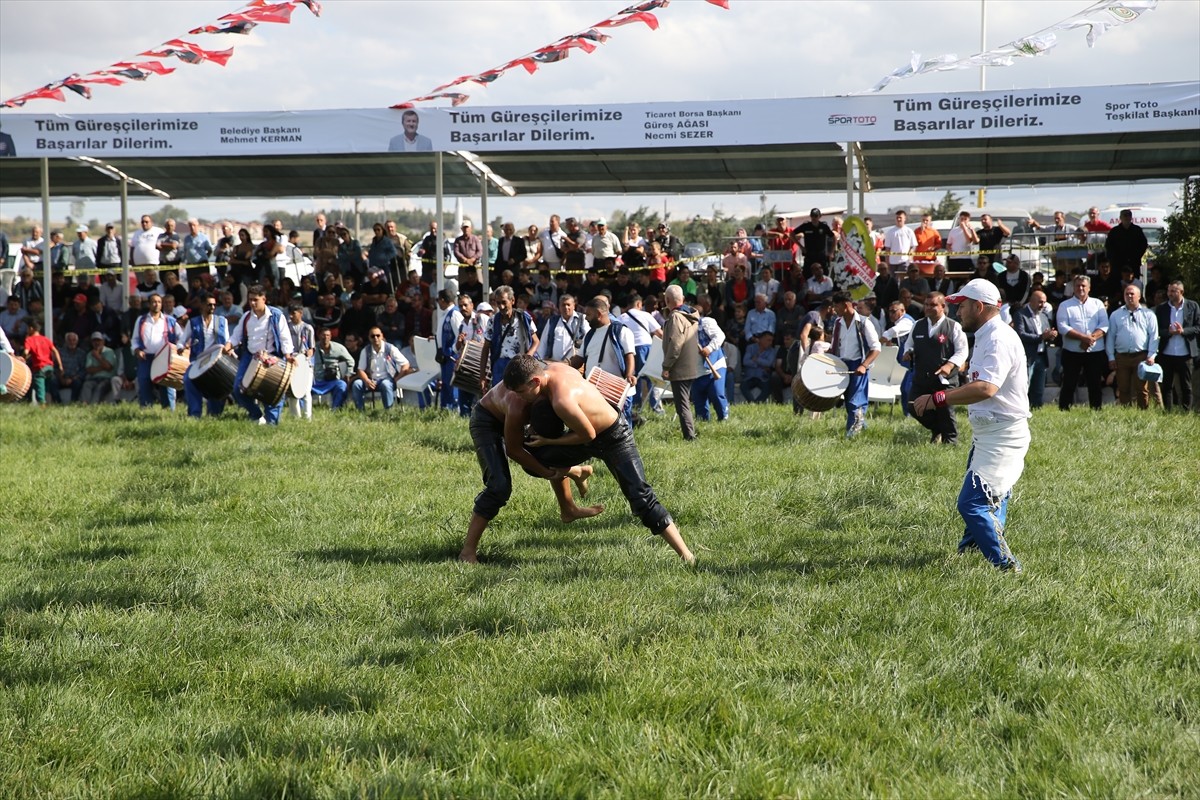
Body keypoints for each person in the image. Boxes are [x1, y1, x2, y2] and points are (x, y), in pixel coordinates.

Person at [490, 355, 696, 565]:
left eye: (521, 392)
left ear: (535, 381)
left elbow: (588, 435)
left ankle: (687, 556)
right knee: (534, 460)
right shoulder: (553, 369)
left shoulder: (562, 400)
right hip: (582, 433)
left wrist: (549, 440)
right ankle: (577, 473)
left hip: (613, 437)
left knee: (641, 497)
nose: (518, 398)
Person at [913, 278, 1029, 574]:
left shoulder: (997, 337)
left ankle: (1007, 566)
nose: (958, 312)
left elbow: (986, 388)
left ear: (978, 307)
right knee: (991, 495)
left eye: (962, 306)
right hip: (990, 433)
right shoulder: (989, 333)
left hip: (1002, 435)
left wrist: (939, 397)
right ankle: (970, 549)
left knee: (972, 503)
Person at [459, 362, 611, 563]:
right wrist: (547, 472)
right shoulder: (518, 404)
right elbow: (514, 451)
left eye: (522, 391)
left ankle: (568, 508)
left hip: (531, 412)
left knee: (549, 451)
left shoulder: (551, 382)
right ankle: (467, 552)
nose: (519, 394)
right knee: (499, 487)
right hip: (488, 422)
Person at [902, 292, 968, 444]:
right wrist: (908, 352)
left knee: (945, 411)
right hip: (922, 377)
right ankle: (937, 429)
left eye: (933, 305)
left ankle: (951, 442)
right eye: (926, 304)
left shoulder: (953, 326)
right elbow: (909, 344)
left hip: (944, 378)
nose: (928, 308)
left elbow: (962, 351)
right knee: (913, 406)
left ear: (943, 307)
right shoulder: (917, 325)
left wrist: (950, 365)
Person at [223, 284, 294, 425]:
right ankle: (256, 415)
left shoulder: (276, 315)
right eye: (250, 300)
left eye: (256, 299)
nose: (252, 303)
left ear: (264, 299)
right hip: (250, 356)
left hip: (272, 357)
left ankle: (271, 425)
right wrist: (228, 346)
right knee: (238, 389)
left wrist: (288, 356)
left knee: (273, 391)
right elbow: (236, 336)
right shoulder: (246, 317)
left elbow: (285, 338)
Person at [830, 290, 882, 438]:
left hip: (858, 365)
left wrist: (864, 365)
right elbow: (835, 345)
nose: (835, 310)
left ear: (846, 305)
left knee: (856, 400)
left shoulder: (864, 323)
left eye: (837, 306)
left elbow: (876, 348)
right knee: (848, 399)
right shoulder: (837, 323)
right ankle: (861, 426)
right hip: (842, 365)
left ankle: (852, 435)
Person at [1056, 275, 1109, 411]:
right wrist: (1083, 338)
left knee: (1095, 383)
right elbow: (1062, 327)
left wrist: (1090, 338)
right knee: (1069, 383)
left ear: (1089, 288)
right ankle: (1064, 410)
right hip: (1072, 352)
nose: (1080, 288)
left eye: (1083, 286)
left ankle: (1096, 410)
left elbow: (1104, 325)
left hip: (1095, 351)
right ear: (1073, 288)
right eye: (1078, 285)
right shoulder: (1065, 305)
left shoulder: (1097, 304)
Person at [176, 292, 230, 418]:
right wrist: (180, 347)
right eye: (209, 304)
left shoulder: (222, 321)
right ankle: (195, 414)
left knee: (216, 384)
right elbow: (182, 340)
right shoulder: (193, 322)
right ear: (201, 305)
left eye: (214, 305)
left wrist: (228, 349)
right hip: (197, 361)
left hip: (217, 361)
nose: (212, 307)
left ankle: (214, 414)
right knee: (188, 380)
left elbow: (227, 341)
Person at [1104, 284, 1158, 409]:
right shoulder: (1115, 315)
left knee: (1142, 388)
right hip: (1122, 357)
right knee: (1123, 388)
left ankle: (1143, 412)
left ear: (1139, 296)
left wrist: (1151, 355)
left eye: (1132, 294)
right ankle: (1126, 412)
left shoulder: (1148, 314)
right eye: (1126, 294)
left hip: (1141, 356)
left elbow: (1154, 336)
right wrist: (1111, 357)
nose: (1129, 296)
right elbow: (1111, 337)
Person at [660, 285, 701, 441]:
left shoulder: (676, 317)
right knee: (685, 403)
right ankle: (690, 435)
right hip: (690, 364)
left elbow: (675, 344)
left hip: (679, 367)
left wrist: (666, 366)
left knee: (682, 405)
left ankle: (690, 437)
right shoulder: (689, 315)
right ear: (682, 299)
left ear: (667, 300)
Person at [130, 293, 182, 410]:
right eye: (153, 301)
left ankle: (169, 410)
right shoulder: (141, 320)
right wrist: (137, 350)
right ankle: (146, 409)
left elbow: (181, 338)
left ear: (161, 304)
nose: (156, 304)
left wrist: (177, 349)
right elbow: (135, 339)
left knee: (166, 384)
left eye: (159, 302)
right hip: (146, 357)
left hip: (164, 358)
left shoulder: (170, 321)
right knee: (144, 382)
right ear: (149, 304)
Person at [1155, 281, 1199, 412]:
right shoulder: (1162, 308)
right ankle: (1168, 412)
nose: (1170, 294)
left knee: (1186, 386)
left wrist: (1183, 331)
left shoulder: (1192, 306)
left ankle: (1186, 411)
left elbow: (1198, 327)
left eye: (1173, 291)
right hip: (1167, 352)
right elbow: (1157, 330)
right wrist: (1168, 332)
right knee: (1167, 385)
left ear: (1181, 292)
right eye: (1169, 291)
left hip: (1185, 353)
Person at [486, 285, 539, 389]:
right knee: (499, 398)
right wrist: (482, 375)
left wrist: (527, 357)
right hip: (499, 364)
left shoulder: (524, 318)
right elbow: (486, 347)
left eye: (504, 302)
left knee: (517, 397)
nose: (501, 306)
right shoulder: (493, 321)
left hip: (518, 365)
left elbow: (536, 341)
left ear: (512, 300)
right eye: (498, 303)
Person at [351, 325, 413, 411]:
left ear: (382, 336)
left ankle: (388, 412)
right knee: (357, 384)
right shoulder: (366, 350)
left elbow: (405, 364)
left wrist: (398, 378)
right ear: (369, 338)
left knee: (386, 385)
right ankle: (360, 411)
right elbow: (360, 370)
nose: (375, 338)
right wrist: (367, 381)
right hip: (371, 380)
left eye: (378, 335)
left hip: (388, 379)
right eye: (373, 336)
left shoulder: (390, 348)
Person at [1013, 289, 1057, 409]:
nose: (1043, 305)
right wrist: (1041, 337)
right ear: (1031, 301)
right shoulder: (1020, 314)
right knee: (1024, 385)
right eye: (1040, 302)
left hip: (1042, 356)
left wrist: (1051, 335)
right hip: (1028, 356)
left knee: (1039, 386)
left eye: (1044, 302)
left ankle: (1037, 408)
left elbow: (1046, 334)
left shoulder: (1043, 316)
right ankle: (1021, 408)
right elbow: (1021, 334)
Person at [21, 317, 62, 406]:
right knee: (49, 386)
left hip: (39, 368)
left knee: (40, 387)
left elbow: (26, 352)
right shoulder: (45, 339)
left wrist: (23, 358)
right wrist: (60, 365)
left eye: (27, 328)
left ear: (31, 328)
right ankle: (57, 402)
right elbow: (55, 351)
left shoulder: (29, 340)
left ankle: (42, 404)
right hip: (49, 367)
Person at [435, 289, 464, 412]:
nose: (438, 303)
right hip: (444, 355)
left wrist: (453, 350)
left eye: (438, 300)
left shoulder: (454, 314)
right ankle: (446, 410)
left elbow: (460, 334)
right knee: (446, 384)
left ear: (443, 300)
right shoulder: (445, 313)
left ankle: (454, 410)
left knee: (452, 384)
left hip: (452, 355)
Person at [311, 327, 353, 409]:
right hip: (316, 380)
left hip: (333, 380)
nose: (325, 337)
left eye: (328, 335)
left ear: (330, 337)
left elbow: (351, 361)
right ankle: (303, 410)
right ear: (319, 336)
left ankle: (336, 408)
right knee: (304, 387)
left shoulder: (339, 348)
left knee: (342, 385)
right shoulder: (313, 348)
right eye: (323, 335)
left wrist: (348, 374)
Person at [1104, 209, 1149, 279]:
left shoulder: (1137, 230)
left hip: (1133, 263)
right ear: (1120, 218)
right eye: (1125, 215)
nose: (1127, 217)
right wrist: (1114, 259)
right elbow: (1109, 246)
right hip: (1118, 264)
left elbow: (1143, 244)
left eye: (1129, 215)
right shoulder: (1114, 231)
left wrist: (1136, 256)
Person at [81, 332, 118, 404]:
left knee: (100, 387)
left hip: (107, 379)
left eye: (98, 340)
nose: (96, 343)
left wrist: (98, 357)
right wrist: (103, 366)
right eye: (94, 341)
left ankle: (93, 405)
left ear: (103, 341)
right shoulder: (90, 354)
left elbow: (109, 367)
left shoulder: (109, 351)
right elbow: (89, 370)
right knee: (86, 385)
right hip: (94, 378)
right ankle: (84, 404)